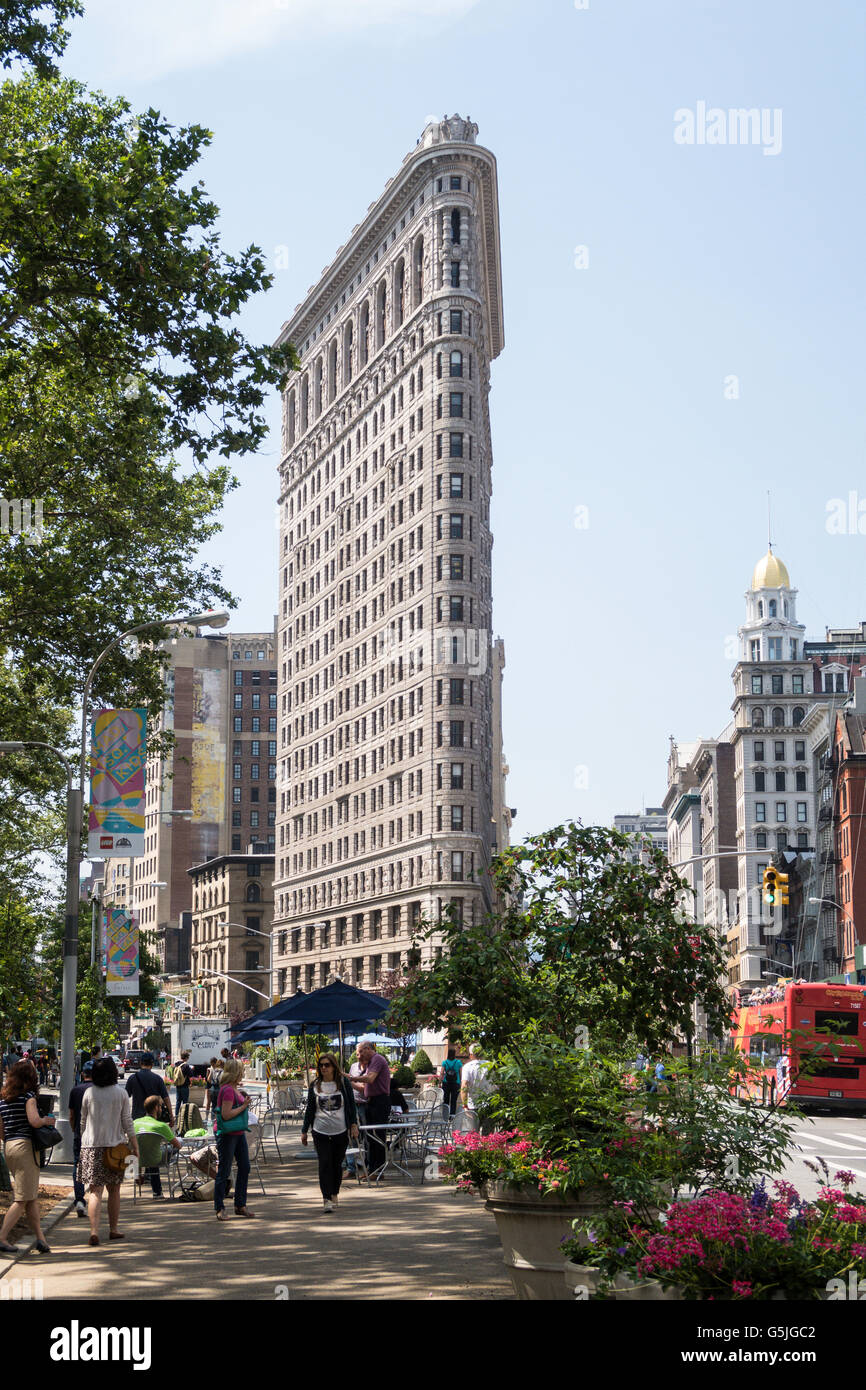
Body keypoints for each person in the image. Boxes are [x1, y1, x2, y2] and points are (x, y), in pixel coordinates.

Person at [79, 1056, 139, 1247]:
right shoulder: (120, 1094)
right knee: (114, 1190)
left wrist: (84, 1139)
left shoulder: (89, 1093)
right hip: (115, 1148)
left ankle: (94, 1231)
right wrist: (135, 1145)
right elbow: (127, 1122)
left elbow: (82, 1121)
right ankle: (113, 1229)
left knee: (95, 1191)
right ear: (114, 1072)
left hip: (91, 1146)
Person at [0, 1059, 55, 1253]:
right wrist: (46, 1120)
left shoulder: (3, 1100)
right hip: (25, 1148)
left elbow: (1, 1131)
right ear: (30, 1076)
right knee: (22, 1198)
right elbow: (34, 1121)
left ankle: (40, 1239)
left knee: (30, 1196)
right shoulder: (29, 1098)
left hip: (9, 1147)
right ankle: (2, 1237)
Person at [301, 1053, 358, 1212]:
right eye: (321, 1065)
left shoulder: (343, 1083)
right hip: (320, 1130)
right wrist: (304, 1130)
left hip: (340, 1130)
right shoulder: (315, 1084)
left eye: (327, 1065)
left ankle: (334, 1192)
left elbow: (351, 1106)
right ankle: (326, 1198)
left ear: (334, 1066)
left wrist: (353, 1124)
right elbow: (310, 1109)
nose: (324, 1068)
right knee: (324, 1164)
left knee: (337, 1164)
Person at [213, 1058, 255, 1222]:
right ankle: (220, 1207)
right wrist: (244, 1106)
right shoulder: (228, 1090)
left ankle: (240, 1204)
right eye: (241, 1070)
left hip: (238, 1133)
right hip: (228, 1134)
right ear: (235, 1072)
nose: (243, 1073)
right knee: (224, 1170)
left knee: (245, 1166)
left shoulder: (233, 1088)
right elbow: (226, 1114)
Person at [348, 1042, 390, 1176]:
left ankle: (378, 1170)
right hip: (370, 1102)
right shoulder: (370, 1062)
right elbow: (364, 1086)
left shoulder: (377, 1059)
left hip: (379, 1102)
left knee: (377, 1137)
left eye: (360, 1052)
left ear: (367, 1049)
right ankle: (372, 1169)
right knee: (370, 1138)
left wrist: (352, 1078)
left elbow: (370, 1079)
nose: (359, 1056)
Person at [133, 1096, 183, 1198]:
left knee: (151, 1149)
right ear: (156, 1107)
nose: (162, 1109)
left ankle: (157, 1191)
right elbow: (177, 1145)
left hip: (138, 1160)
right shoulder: (161, 1126)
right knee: (177, 1142)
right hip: (156, 1158)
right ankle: (158, 1192)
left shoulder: (134, 1123)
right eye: (161, 1106)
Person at [68, 1059, 95, 1217]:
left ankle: (79, 1199)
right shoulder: (98, 1090)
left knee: (78, 1165)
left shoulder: (75, 1090)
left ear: (82, 1074)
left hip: (80, 1133)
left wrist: (74, 1129)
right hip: (96, 1135)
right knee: (95, 1166)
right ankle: (94, 1196)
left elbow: (71, 1115)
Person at [125, 1052, 172, 1126]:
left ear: (141, 1063)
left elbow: (125, 1097)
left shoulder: (132, 1078)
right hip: (154, 1117)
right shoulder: (157, 1079)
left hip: (137, 1117)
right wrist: (171, 1116)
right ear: (152, 1064)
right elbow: (166, 1099)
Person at [459, 1046, 492, 1121]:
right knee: (488, 1132)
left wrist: (465, 1106)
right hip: (489, 1104)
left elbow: (464, 1086)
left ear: (471, 1055)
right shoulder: (490, 1065)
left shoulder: (467, 1067)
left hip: (473, 1105)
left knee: (473, 1131)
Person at [439, 1047, 463, 1117]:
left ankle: (445, 1115)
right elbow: (461, 1073)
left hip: (446, 1083)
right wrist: (461, 1082)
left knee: (446, 1100)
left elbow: (441, 1073)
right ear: (454, 1054)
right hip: (456, 1083)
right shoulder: (458, 1062)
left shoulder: (445, 1062)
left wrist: (439, 1082)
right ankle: (452, 1115)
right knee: (453, 1100)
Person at [205, 1057, 222, 1121]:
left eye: (213, 1064)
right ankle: (207, 1116)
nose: (212, 1065)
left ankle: (212, 1117)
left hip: (211, 1087)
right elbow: (207, 1079)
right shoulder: (210, 1069)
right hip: (210, 1086)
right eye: (211, 1064)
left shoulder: (217, 1069)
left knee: (212, 1103)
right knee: (209, 1102)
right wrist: (210, 1071)